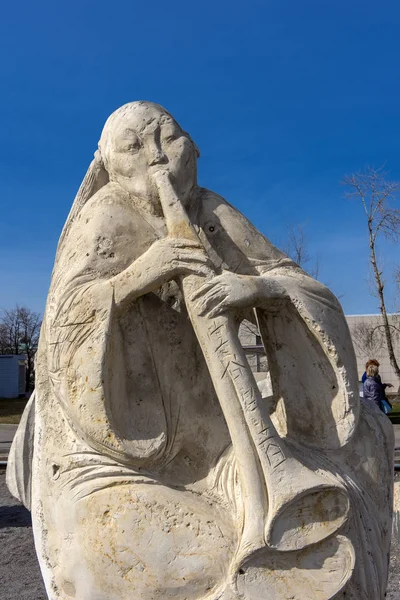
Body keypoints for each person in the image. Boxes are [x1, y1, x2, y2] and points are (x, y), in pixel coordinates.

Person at [7, 102, 394, 600]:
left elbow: (297, 282)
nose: (156, 158)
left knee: (367, 449)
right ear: (109, 164)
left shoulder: (211, 211)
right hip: (127, 459)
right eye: (134, 147)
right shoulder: (106, 216)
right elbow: (65, 324)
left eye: (167, 137)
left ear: (194, 146)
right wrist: (137, 276)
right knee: (202, 548)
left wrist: (254, 290)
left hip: (222, 447)